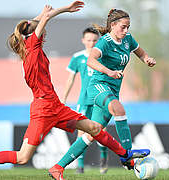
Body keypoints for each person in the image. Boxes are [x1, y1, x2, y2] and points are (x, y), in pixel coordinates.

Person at [0, 2, 150, 180]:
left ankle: (124, 155)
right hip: (43, 109)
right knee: (23, 157)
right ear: (31, 36)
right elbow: (45, 21)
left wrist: (41, 15)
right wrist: (64, 9)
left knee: (94, 128)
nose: (44, 33)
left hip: (54, 106)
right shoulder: (32, 46)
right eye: (40, 30)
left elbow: (37, 23)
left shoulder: (29, 47)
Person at [52, 8, 156, 175]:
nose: (126, 30)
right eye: (123, 27)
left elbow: (139, 51)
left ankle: (57, 168)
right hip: (98, 86)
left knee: (92, 133)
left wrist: (147, 59)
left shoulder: (128, 39)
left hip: (112, 89)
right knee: (119, 109)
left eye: (128, 27)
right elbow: (90, 61)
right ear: (113, 25)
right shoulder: (105, 42)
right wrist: (109, 72)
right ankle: (128, 155)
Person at [62, 27, 108, 174]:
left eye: (94, 40)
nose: (91, 43)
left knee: (101, 130)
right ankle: (80, 166)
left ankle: (103, 160)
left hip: (99, 98)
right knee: (81, 131)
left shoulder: (102, 56)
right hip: (83, 99)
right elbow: (70, 79)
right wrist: (64, 98)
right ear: (83, 40)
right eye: (88, 40)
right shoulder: (77, 57)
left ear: (98, 41)